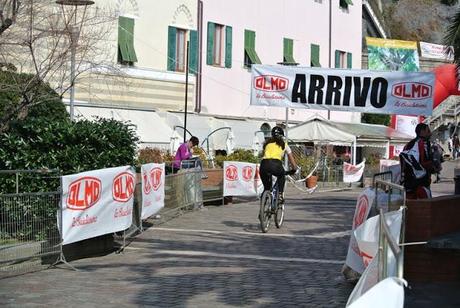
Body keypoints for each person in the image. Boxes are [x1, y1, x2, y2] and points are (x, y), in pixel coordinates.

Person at [259, 126, 298, 204]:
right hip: (276, 164)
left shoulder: (267, 144)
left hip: (264, 165)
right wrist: (294, 169)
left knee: (267, 188)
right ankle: (280, 195)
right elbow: (292, 160)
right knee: (281, 175)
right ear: (282, 136)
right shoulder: (284, 144)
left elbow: (264, 155)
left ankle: (262, 207)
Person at [401, 123, 440, 199]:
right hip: (420, 182)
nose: (430, 133)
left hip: (409, 182)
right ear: (422, 132)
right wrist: (433, 165)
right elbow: (421, 163)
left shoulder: (409, 144)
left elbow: (404, 162)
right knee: (425, 206)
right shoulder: (421, 144)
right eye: (428, 131)